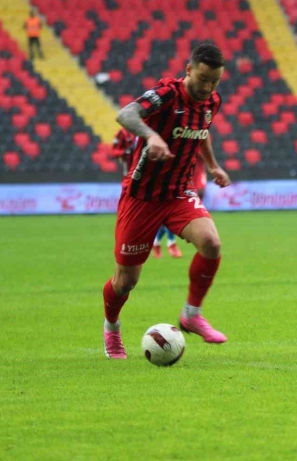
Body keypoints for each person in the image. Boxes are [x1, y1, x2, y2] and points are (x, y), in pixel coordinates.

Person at [102, 43, 231, 359]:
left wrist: (212, 164)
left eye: (214, 81)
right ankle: (112, 328)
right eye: (202, 79)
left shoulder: (212, 100)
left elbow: (202, 129)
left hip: (178, 192)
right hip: (142, 196)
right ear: (188, 70)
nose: (207, 87)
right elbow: (126, 113)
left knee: (211, 243)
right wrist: (151, 135)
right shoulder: (167, 94)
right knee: (125, 281)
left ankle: (191, 314)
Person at [111, 128, 183, 259]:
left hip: (152, 179)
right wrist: (126, 152)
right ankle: (134, 247)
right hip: (130, 181)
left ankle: (170, 243)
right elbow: (114, 151)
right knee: (136, 219)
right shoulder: (123, 132)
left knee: (165, 212)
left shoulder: (156, 126)